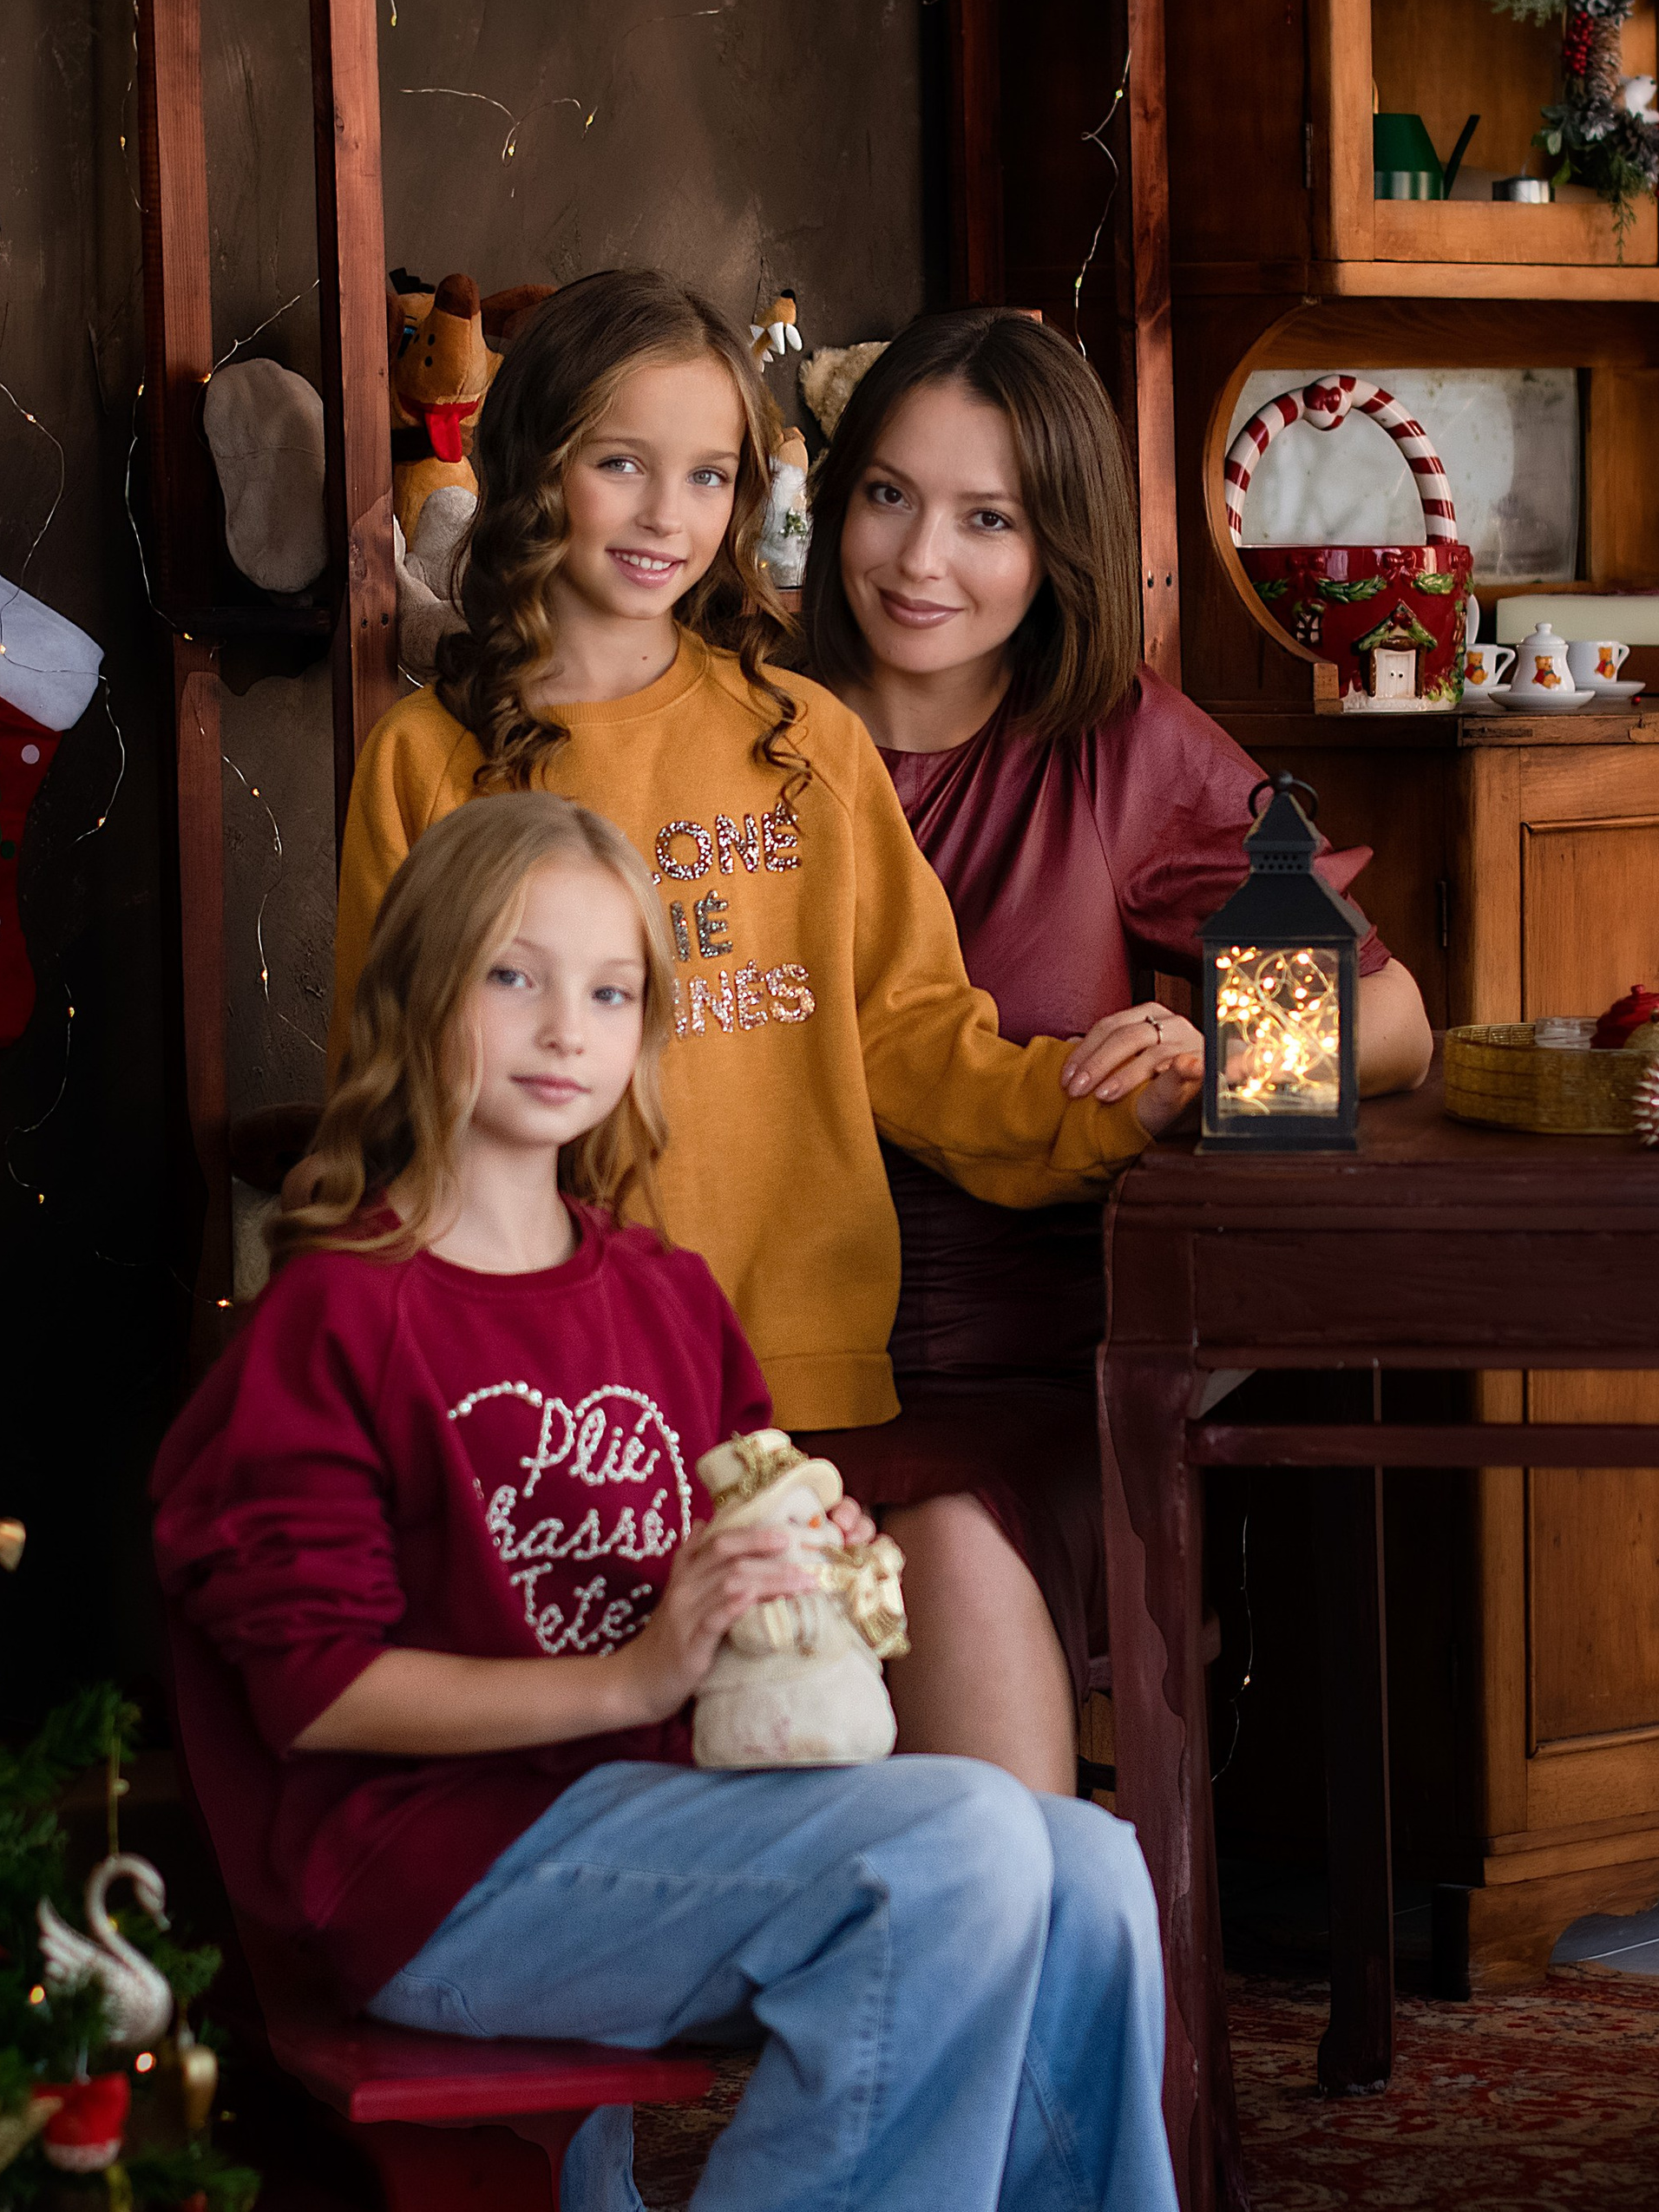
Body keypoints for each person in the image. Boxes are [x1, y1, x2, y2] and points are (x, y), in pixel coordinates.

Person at [154, 793, 1180, 2212]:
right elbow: (314, 1694)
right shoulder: (339, 1316)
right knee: (959, 1843)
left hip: (662, 1831)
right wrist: (632, 1672)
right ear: (414, 996)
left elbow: (736, 1580)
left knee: (1086, 1868)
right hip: (434, 1878)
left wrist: (811, 1580)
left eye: (610, 989)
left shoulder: (662, 1295)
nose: (565, 1026)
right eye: (512, 976)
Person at [328, 269, 1199, 1441]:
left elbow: (917, 1040)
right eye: (619, 463)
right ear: (533, 459)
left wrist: (1101, 1112)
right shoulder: (425, 761)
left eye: (708, 476)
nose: (664, 518)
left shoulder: (805, 742)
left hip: (797, 1362)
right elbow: (387, 1096)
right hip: (532, 1376)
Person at [798, 308, 1435, 1792]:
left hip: (1016, 1371)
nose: (918, 562)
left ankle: (1036, 1983)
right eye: (887, 496)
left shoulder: (1113, 745)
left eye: (986, 519)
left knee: (940, 1537)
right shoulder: (744, 730)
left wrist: (1222, 1054)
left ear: (1057, 543)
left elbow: (1393, 1018)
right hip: (749, 1339)